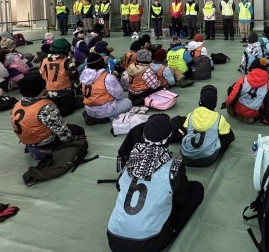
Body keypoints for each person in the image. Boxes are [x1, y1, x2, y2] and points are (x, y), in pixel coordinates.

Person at [107, 114, 204, 252]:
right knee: (196, 189)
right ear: (170, 138)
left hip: (113, 239)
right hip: (147, 244)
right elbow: (181, 199)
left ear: (143, 136)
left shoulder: (131, 159)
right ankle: (171, 230)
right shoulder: (174, 165)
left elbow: (119, 186)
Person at [11, 74, 85, 160]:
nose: (46, 88)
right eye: (43, 87)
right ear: (39, 90)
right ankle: (49, 149)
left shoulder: (17, 105)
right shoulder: (45, 107)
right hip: (44, 141)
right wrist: (72, 139)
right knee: (78, 130)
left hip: (28, 141)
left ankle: (35, 148)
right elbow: (61, 130)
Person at [180, 86, 235, 166]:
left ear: (200, 101)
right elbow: (227, 133)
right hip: (208, 158)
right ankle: (215, 150)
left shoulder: (191, 114)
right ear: (215, 103)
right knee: (229, 134)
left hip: (186, 157)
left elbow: (186, 128)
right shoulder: (219, 118)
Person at [80, 52, 132, 121]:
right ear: (101, 63)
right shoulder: (107, 77)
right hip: (104, 109)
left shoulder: (83, 75)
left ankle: (93, 116)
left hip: (89, 109)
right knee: (128, 102)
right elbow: (119, 95)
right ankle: (107, 118)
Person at [225, 58, 269, 124]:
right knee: (264, 100)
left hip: (239, 110)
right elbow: (268, 103)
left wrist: (227, 105)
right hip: (253, 113)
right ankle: (253, 117)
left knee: (232, 90)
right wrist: (268, 119)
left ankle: (234, 112)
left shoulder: (243, 80)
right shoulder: (268, 85)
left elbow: (233, 97)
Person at [40, 38, 80, 117]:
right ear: (66, 50)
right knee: (71, 107)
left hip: (50, 92)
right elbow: (75, 77)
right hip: (65, 92)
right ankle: (52, 114)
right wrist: (77, 87)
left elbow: (42, 74)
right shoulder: (67, 61)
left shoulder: (44, 60)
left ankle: (51, 109)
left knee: (56, 104)